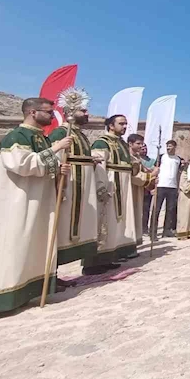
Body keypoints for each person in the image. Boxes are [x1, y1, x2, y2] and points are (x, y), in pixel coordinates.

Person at [0, 98, 71, 315]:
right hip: (17, 203)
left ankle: (26, 292)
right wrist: (57, 148)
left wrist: (60, 169)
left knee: (32, 247)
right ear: (32, 112)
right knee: (14, 247)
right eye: (48, 112)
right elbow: (21, 164)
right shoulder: (17, 136)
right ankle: (0, 298)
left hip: (38, 201)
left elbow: (43, 164)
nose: (52, 116)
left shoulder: (40, 137)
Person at [47, 90, 100, 269]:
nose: (87, 114)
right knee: (62, 225)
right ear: (70, 111)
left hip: (83, 186)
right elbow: (53, 156)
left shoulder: (82, 135)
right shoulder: (60, 132)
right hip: (69, 185)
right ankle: (53, 271)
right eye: (83, 111)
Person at [84, 115, 139, 274]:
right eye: (121, 123)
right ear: (111, 125)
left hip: (122, 186)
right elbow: (100, 167)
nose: (125, 126)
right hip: (109, 186)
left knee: (115, 224)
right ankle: (92, 264)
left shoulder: (121, 143)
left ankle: (107, 258)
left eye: (126, 124)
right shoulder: (102, 143)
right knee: (103, 224)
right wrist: (101, 188)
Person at [126, 133, 156, 243]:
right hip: (130, 189)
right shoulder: (128, 157)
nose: (140, 146)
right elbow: (134, 176)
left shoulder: (137, 157)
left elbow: (143, 171)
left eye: (142, 144)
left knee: (138, 213)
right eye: (138, 144)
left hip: (139, 190)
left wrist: (152, 179)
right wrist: (152, 175)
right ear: (130, 144)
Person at [154, 139, 182, 239]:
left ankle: (167, 230)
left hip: (173, 187)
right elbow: (155, 170)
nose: (168, 148)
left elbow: (179, 174)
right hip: (161, 185)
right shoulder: (161, 157)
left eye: (170, 146)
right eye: (167, 146)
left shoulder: (178, 159)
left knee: (170, 210)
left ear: (174, 147)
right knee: (156, 209)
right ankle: (153, 232)